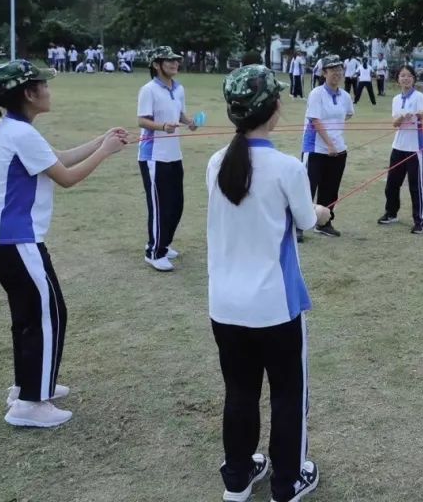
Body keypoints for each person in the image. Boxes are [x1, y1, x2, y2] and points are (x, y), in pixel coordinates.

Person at [0, 60, 128, 428]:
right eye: (44, 85)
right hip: (12, 239)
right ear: (28, 93)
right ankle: (31, 404)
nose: (49, 91)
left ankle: (29, 385)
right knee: (48, 312)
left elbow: (56, 161)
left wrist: (101, 141)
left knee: (30, 312)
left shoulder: (14, 129)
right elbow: (67, 177)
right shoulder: (19, 134)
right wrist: (105, 152)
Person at [207, 64, 327, 502]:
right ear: (273, 108)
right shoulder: (286, 167)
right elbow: (307, 221)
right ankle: (286, 482)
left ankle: (237, 478)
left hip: (225, 308)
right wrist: (321, 213)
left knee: (239, 393)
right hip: (274, 308)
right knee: (288, 396)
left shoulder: (217, 162)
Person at [137, 46, 196, 272]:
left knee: (176, 204)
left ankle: (164, 242)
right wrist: (162, 126)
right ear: (156, 65)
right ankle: (154, 252)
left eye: (176, 60)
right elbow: (142, 121)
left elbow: (179, 113)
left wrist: (189, 121)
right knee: (160, 206)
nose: (174, 64)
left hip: (174, 155)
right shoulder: (148, 90)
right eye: (168, 61)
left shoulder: (178, 89)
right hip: (153, 157)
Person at [302, 56, 354, 240]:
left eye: (340, 69)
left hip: (339, 150)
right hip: (316, 148)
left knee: (331, 189)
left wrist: (335, 140)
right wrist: (329, 143)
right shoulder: (317, 93)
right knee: (307, 188)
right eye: (332, 70)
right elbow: (315, 120)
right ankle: (298, 226)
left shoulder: (345, 96)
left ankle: (324, 222)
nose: (337, 73)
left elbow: (347, 115)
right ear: (324, 73)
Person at [378, 65, 423, 233]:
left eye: (408, 76)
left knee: (416, 186)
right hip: (398, 146)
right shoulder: (396, 100)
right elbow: (394, 123)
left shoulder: (419, 97)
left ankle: (420, 220)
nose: (405, 78)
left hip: (415, 148)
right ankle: (391, 213)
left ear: (414, 79)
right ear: (398, 79)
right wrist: (401, 117)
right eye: (402, 76)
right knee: (392, 183)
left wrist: (419, 115)